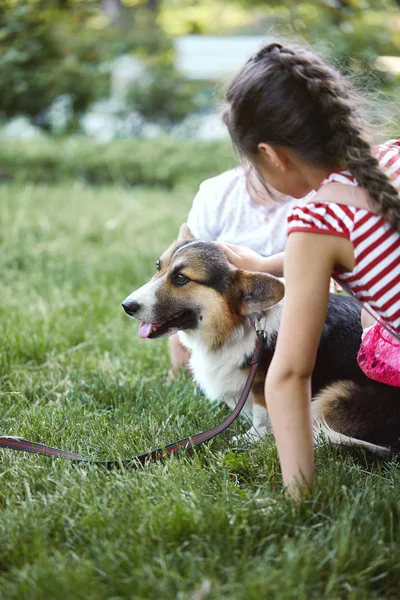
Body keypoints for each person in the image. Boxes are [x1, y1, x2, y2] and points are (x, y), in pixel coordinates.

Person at [217, 42, 400, 499]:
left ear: (273, 155)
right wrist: (264, 265)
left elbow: (289, 376)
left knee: (371, 324)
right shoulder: (393, 157)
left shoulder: (317, 223)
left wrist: (300, 500)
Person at [169, 165, 309, 373]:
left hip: (290, 317)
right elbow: (184, 264)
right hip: (224, 318)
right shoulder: (217, 193)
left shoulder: (321, 195)